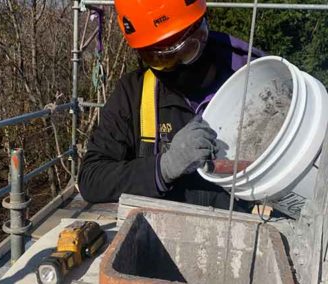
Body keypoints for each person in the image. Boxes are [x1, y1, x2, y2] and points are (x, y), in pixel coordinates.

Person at [78, 0, 264, 212]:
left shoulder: (254, 73)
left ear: (201, 29)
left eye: (187, 50)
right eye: (160, 58)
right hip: (164, 229)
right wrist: (163, 167)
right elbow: (91, 179)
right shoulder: (133, 93)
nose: (176, 64)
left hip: (242, 224)